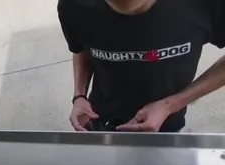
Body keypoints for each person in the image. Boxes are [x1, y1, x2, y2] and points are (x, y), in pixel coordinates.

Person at [59, 0, 225, 132]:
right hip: (99, 118)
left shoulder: (208, 4)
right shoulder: (74, 5)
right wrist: (79, 96)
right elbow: (82, 46)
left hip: (166, 125)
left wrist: (170, 105)